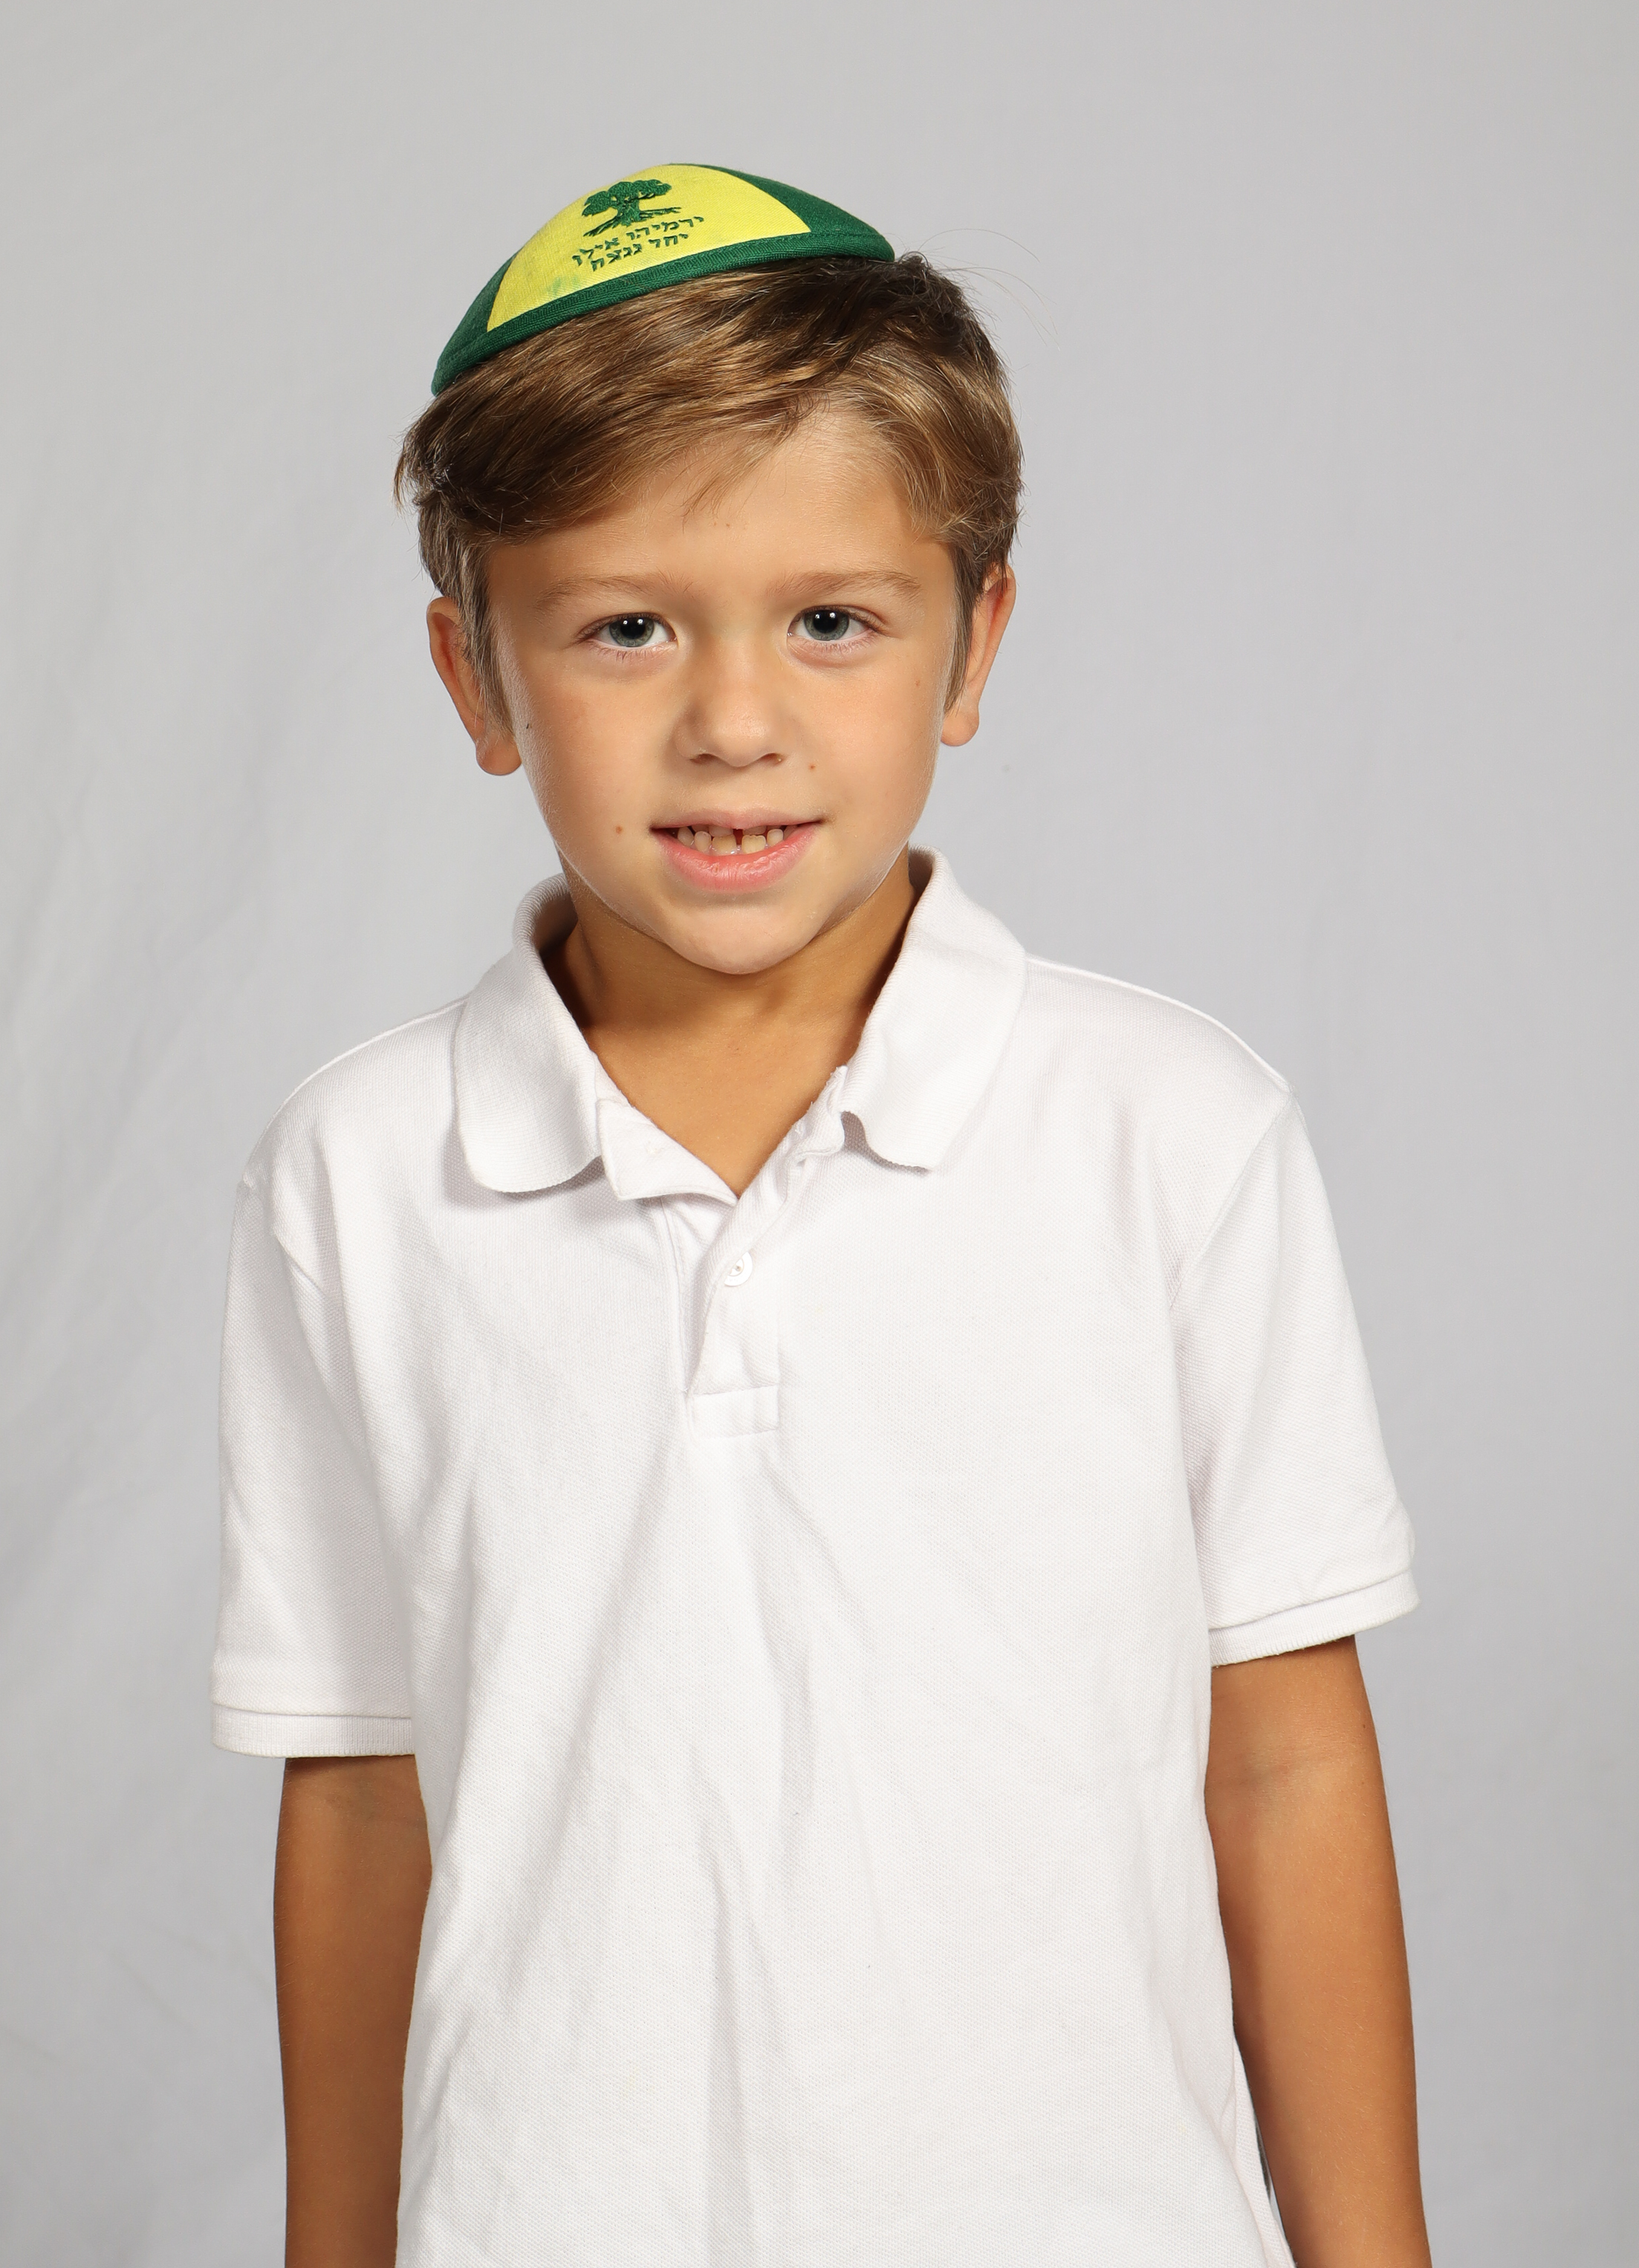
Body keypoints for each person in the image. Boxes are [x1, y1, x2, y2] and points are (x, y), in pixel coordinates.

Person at [212, 165, 1431, 2268]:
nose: (734, 723)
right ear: (476, 677)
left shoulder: (1170, 1132)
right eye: (625, 628)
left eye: (833, 621)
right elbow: (361, 1791)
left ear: (974, 642)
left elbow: (1284, 1768)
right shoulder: (357, 1173)